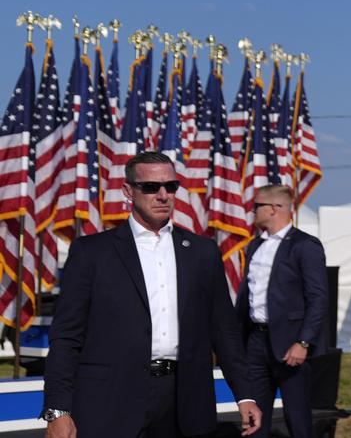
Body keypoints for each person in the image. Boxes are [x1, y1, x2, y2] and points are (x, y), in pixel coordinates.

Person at [43, 151, 260, 438]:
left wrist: (245, 394)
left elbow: (224, 330)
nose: (163, 195)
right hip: (110, 400)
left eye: (170, 186)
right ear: (128, 191)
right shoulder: (91, 252)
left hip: (185, 403)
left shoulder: (202, 252)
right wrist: (57, 409)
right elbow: (66, 336)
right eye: (150, 187)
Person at [236, 184, 329, 438]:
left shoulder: (304, 245)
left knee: (297, 418)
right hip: (256, 342)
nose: (252, 211)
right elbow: (248, 297)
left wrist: (303, 342)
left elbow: (318, 298)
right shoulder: (254, 246)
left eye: (256, 206)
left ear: (274, 208)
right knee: (254, 418)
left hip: (291, 343)